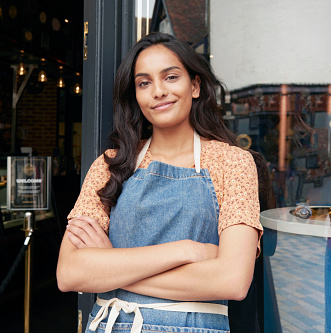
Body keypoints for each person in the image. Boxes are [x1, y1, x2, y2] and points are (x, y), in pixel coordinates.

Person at [57, 32, 266, 333]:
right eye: (144, 83)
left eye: (170, 77)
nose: (158, 91)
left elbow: (232, 281)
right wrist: (185, 250)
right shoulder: (110, 165)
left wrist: (111, 266)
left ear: (194, 86)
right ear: (136, 96)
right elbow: (69, 273)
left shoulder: (232, 162)